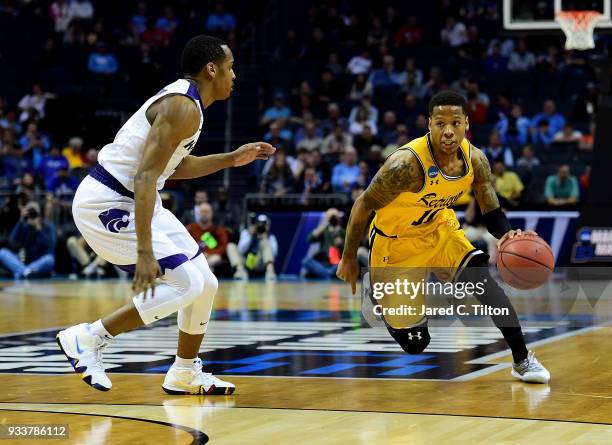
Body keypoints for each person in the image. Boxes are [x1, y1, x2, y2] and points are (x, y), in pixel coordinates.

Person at [56, 36, 275, 395]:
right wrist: (144, 252)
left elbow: (171, 167)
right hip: (107, 201)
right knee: (185, 283)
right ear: (211, 69)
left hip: (140, 198)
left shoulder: (190, 106)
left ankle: (184, 372)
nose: (234, 75)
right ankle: (88, 337)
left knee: (205, 283)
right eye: (230, 67)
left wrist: (231, 158)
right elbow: (145, 175)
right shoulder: (181, 106)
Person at [336, 91, 550, 384]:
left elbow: (490, 209)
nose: (448, 131)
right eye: (440, 123)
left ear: (466, 124)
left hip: (440, 229)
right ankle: (378, 290)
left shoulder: (476, 159)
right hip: (396, 245)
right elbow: (362, 205)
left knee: (484, 285)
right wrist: (349, 257)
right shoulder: (405, 166)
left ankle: (522, 359)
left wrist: (507, 235)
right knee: (415, 343)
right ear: (429, 124)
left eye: (454, 123)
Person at [0, 202, 56, 279]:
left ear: (40, 214)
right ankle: (26, 272)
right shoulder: (24, 225)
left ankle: (21, 272)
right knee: (2, 252)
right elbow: (12, 240)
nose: (32, 215)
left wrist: (39, 229)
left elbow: (50, 246)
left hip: (40, 261)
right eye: (30, 212)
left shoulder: (48, 226)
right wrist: (20, 220)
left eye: (34, 213)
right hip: (24, 261)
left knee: (50, 259)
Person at [186, 203, 233, 275]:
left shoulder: (218, 230)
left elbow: (223, 247)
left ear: (211, 214)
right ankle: (206, 272)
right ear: (198, 213)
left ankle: (202, 271)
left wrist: (209, 253)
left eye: (207, 212)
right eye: (202, 211)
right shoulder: (190, 228)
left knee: (216, 258)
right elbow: (184, 244)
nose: (204, 214)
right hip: (194, 257)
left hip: (211, 257)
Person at [302, 208, 345, 278]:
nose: (333, 219)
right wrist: (324, 225)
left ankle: (325, 273)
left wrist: (341, 244)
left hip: (337, 263)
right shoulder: (324, 231)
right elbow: (310, 239)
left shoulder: (343, 231)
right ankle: (328, 273)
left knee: (340, 267)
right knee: (306, 261)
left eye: (334, 216)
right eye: (330, 217)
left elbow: (348, 253)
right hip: (324, 263)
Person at [234, 214, 278, 281]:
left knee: (265, 243)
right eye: (259, 223)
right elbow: (240, 250)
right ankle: (240, 272)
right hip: (246, 262)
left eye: (264, 224)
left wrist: (265, 238)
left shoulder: (271, 237)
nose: (261, 226)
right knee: (231, 246)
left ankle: (270, 272)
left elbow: (274, 254)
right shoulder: (246, 233)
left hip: (259, 263)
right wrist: (250, 236)